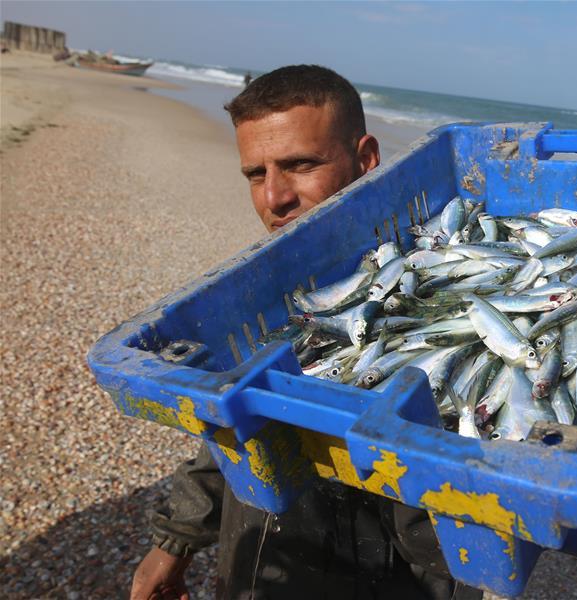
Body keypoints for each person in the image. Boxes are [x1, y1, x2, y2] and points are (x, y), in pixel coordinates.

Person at [129, 65, 482, 600]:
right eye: (255, 173)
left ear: (366, 160)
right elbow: (227, 421)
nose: (274, 198)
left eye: (299, 165)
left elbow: (445, 549)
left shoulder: (424, 276)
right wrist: (175, 540)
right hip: (252, 575)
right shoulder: (253, 297)